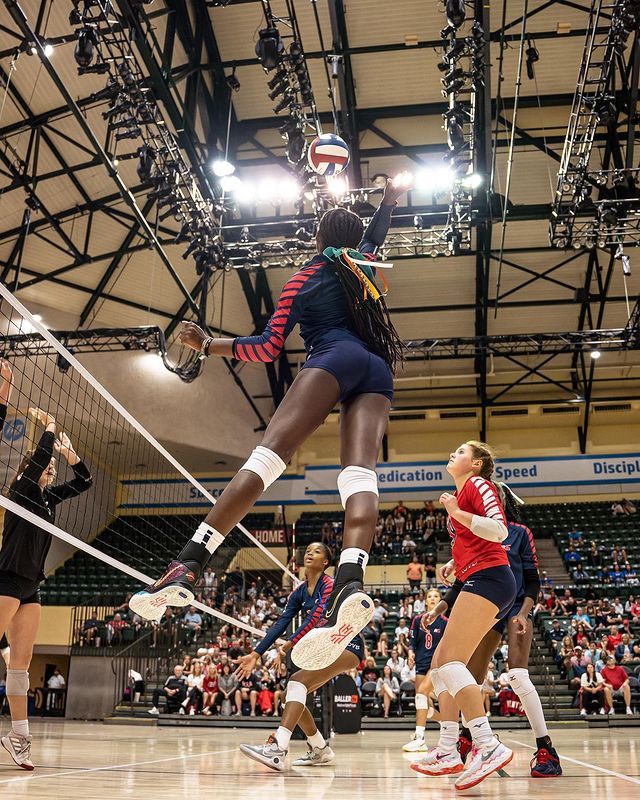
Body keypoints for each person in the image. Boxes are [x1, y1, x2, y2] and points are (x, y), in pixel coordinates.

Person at [130, 177, 411, 671]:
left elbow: (266, 347)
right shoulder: (363, 265)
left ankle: (188, 563)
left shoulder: (305, 277)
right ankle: (350, 581)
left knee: (267, 459)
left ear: (320, 237)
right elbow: (375, 235)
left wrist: (208, 345)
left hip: (333, 358)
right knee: (359, 475)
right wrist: (388, 202)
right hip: (376, 370)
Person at [409, 441, 515, 790]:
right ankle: (448, 748)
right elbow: (476, 538)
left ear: (476, 463)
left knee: (452, 662)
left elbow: (499, 530)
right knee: (440, 665)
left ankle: (487, 744)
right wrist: (456, 562)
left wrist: (456, 511)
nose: (453, 453)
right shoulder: (461, 494)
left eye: (461, 451)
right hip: (478, 576)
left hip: (491, 578)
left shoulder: (478, 484)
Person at [0, 406, 92, 770]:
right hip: (6, 578)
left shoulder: (48, 499)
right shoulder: (21, 490)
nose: (51, 467)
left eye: (54, 466)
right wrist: (50, 426)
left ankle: (18, 737)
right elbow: (38, 456)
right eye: (48, 464)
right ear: (29, 469)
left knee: (20, 667)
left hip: (30, 587)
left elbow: (84, 481)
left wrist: (69, 454)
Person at [236, 542, 364, 771]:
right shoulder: (299, 592)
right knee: (290, 696)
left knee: (297, 682)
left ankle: (278, 748)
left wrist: (290, 643)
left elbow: (315, 617)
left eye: (317, 551)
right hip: (325, 646)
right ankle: (320, 748)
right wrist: (256, 653)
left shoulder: (329, 585)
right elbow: (281, 622)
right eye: (308, 550)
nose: (310, 553)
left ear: (326, 562)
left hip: (346, 643)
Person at [402, 587, 447, 752]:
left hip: (435, 664)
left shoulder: (445, 622)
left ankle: (419, 738)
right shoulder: (417, 620)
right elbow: (412, 642)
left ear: (440, 601)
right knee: (423, 704)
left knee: (421, 694)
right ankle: (445, 723)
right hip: (420, 663)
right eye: (430, 596)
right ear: (425, 601)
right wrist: (411, 653)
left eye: (436, 596)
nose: (433, 598)